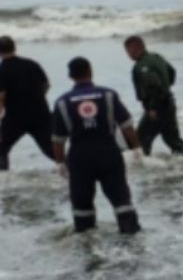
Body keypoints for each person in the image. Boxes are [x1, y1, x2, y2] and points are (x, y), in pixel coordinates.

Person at [49, 57, 143, 234]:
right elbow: (127, 127)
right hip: (109, 154)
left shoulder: (62, 102)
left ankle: (87, 244)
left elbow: (58, 139)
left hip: (79, 158)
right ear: (90, 71)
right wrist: (136, 148)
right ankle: (131, 239)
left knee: (82, 206)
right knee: (121, 199)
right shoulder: (108, 95)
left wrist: (60, 163)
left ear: (70, 76)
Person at [124, 35, 183, 157]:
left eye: (128, 51)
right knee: (172, 139)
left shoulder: (142, 66)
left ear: (134, 49)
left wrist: (152, 107)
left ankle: (144, 166)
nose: (128, 54)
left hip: (157, 107)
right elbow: (171, 72)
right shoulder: (156, 57)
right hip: (168, 102)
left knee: (141, 139)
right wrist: (166, 87)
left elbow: (153, 86)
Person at [0, 36, 55, 172]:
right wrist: (35, 99)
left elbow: (1, 96)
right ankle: (76, 170)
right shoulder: (32, 64)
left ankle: (3, 178)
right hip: (41, 114)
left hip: (15, 118)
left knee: (2, 148)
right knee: (51, 150)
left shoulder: (3, 70)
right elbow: (47, 85)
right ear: (15, 47)